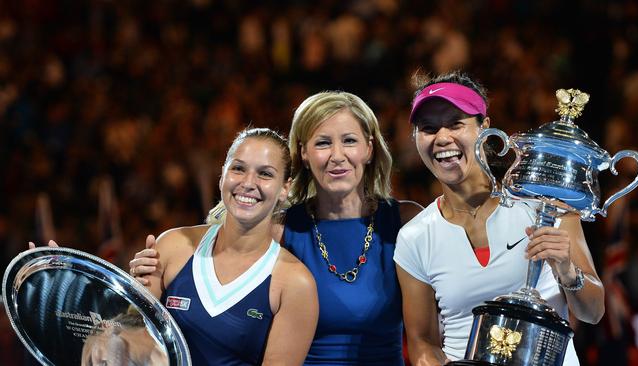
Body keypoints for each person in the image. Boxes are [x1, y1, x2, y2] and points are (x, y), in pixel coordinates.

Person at [131, 91, 423, 364]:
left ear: (369, 148)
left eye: (349, 141)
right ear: (304, 154)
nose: (337, 155)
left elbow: (432, 331)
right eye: (323, 143)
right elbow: (209, 289)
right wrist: (149, 272)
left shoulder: (406, 222)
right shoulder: (277, 229)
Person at [393, 71, 605, 365]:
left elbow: (592, 313)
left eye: (456, 124)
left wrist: (567, 271)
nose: (442, 138)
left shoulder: (544, 206)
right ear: (416, 138)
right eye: (428, 128)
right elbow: (423, 345)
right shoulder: (413, 237)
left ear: (485, 128)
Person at [115, 127, 319, 365]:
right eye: (238, 168)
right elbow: (129, 343)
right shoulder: (172, 246)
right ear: (223, 175)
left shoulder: (295, 284)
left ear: (285, 188)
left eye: (264, 174)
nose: (248, 183)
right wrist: (126, 293)